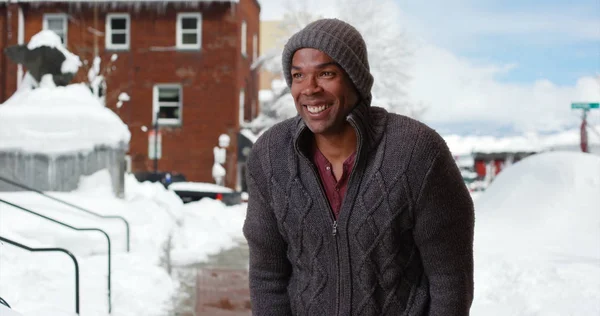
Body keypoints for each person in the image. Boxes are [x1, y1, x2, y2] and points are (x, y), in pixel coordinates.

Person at [243, 18, 474, 316]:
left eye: (326, 73)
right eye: (298, 75)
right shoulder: (271, 156)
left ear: (356, 79)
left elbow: (450, 281)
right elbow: (267, 278)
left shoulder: (416, 152)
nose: (309, 89)